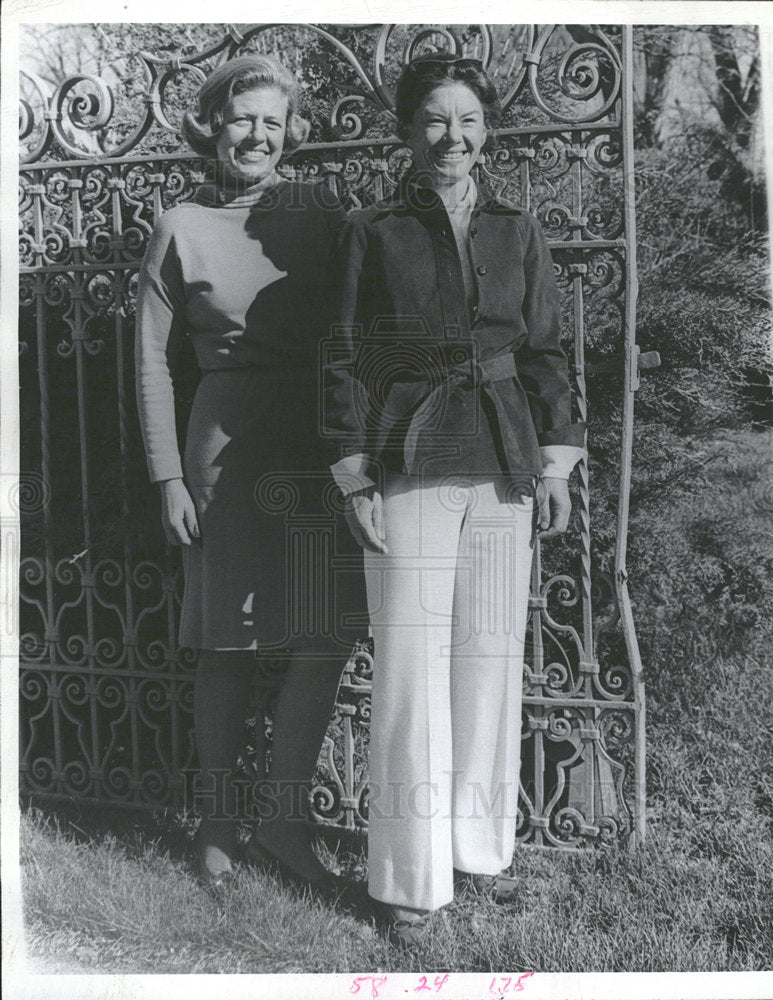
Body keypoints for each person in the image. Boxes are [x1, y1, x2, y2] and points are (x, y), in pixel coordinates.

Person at [325, 54, 586, 944]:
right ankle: (408, 879)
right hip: (408, 463)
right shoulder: (373, 229)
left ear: (487, 131)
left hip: (504, 462)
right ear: (408, 129)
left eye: (468, 119)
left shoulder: (517, 229)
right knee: (409, 671)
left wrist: (556, 465)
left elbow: (544, 351)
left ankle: (477, 852)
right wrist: (353, 473)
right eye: (436, 119)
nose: (453, 136)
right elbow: (341, 355)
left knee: (489, 662)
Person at [135, 54, 366, 891]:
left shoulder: (323, 213)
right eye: (242, 119)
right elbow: (152, 362)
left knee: (322, 636)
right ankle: (218, 826)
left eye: (273, 121)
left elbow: (363, 318)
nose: (258, 136)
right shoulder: (179, 225)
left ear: (291, 132)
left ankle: (284, 825)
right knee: (224, 642)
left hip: (316, 443)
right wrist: (168, 476)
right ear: (212, 127)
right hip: (222, 450)